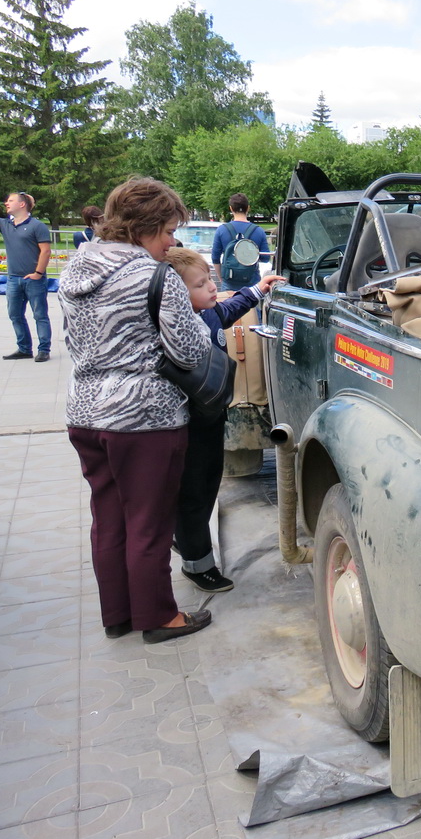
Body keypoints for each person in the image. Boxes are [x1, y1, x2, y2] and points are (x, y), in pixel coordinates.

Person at [58, 177, 213, 642]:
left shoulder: (73, 271)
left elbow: (72, 341)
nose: (171, 242)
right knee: (149, 521)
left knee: (108, 518)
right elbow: (188, 351)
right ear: (143, 228)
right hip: (143, 419)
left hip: (84, 412)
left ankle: (119, 614)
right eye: (167, 230)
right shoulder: (156, 276)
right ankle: (159, 617)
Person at [166, 249, 284, 592]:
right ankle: (198, 563)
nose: (212, 287)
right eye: (201, 284)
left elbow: (229, 309)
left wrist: (258, 289)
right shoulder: (176, 325)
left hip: (212, 415)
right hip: (188, 419)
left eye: (210, 280)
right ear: (175, 293)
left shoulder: (209, 312)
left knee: (208, 483)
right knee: (193, 492)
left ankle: (187, 538)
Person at [0, 191, 52, 362]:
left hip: (34, 279)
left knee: (40, 314)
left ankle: (44, 349)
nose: (6, 203)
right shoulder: (4, 224)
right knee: (15, 314)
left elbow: (45, 251)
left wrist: (38, 273)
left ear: (22, 204)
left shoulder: (37, 226)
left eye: (11, 200)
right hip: (13, 279)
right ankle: (24, 348)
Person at [211, 193, 270, 291]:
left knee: (229, 306)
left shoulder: (222, 230)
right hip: (251, 281)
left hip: (229, 281)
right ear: (248, 208)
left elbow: (215, 258)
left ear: (231, 208)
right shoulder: (258, 231)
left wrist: (221, 278)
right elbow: (265, 258)